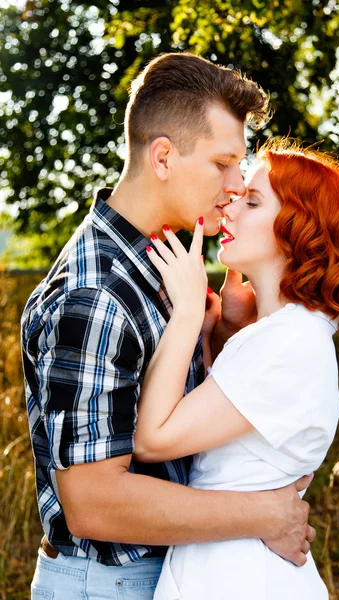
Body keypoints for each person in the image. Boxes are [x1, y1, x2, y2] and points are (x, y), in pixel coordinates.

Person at [22, 54, 315, 600]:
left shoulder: (162, 261)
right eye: (223, 163)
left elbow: (178, 433)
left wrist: (219, 335)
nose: (234, 186)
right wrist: (264, 514)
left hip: (163, 575)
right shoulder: (98, 294)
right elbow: (93, 503)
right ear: (162, 157)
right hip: (110, 584)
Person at [133, 141, 339, 599]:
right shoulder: (286, 335)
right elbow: (231, 416)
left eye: (252, 201)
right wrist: (226, 332)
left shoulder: (288, 342)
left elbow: (153, 438)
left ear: (296, 229)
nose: (230, 209)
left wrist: (189, 311)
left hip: (238, 575)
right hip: (233, 563)